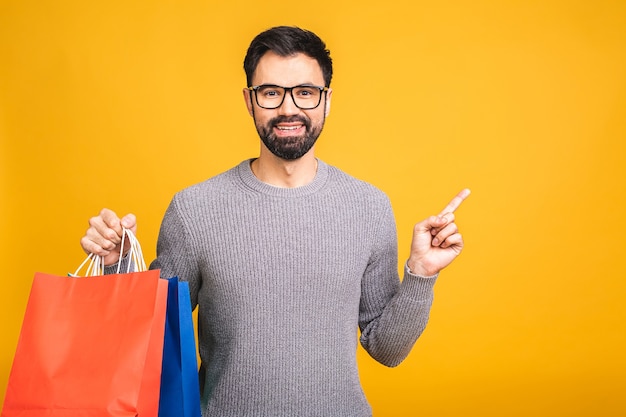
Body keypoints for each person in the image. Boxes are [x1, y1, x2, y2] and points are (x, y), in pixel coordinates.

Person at [80, 26, 470, 417]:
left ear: (327, 101)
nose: (289, 109)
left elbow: (387, 350)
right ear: (250, 101)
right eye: (271, 93)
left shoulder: (369, 207)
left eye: (305, 92)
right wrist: (117, 265)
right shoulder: (194, 210)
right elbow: (151, 345)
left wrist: (421, 274)